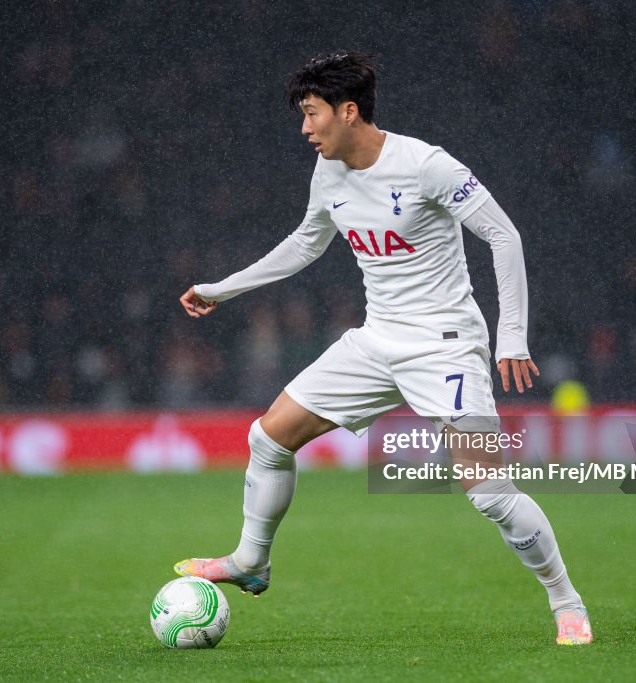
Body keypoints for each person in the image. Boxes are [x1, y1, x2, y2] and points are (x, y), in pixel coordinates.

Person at [174, 52, 591, 646]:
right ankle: (251, 561)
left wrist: (512, 336)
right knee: (268, 436)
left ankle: (566, 601)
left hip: (445, 346)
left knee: (489, 492)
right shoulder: (329, 174)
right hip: (376, 342)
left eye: (312, 114)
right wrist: (223, 289)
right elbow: (304, 245)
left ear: (349, 112)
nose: (304, 128)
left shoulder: (427, 166)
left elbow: (504, 235)